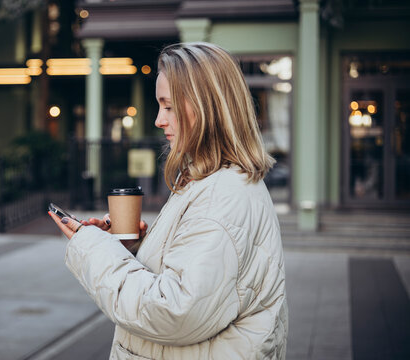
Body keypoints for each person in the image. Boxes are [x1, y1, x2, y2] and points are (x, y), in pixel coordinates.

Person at [49, 42, 288, 359]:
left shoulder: (221, 193)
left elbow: (174, 312)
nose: (159, 120)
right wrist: (140, 247)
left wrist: (93, 248)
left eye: (170, 106)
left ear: (209, 107)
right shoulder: (212, 180)